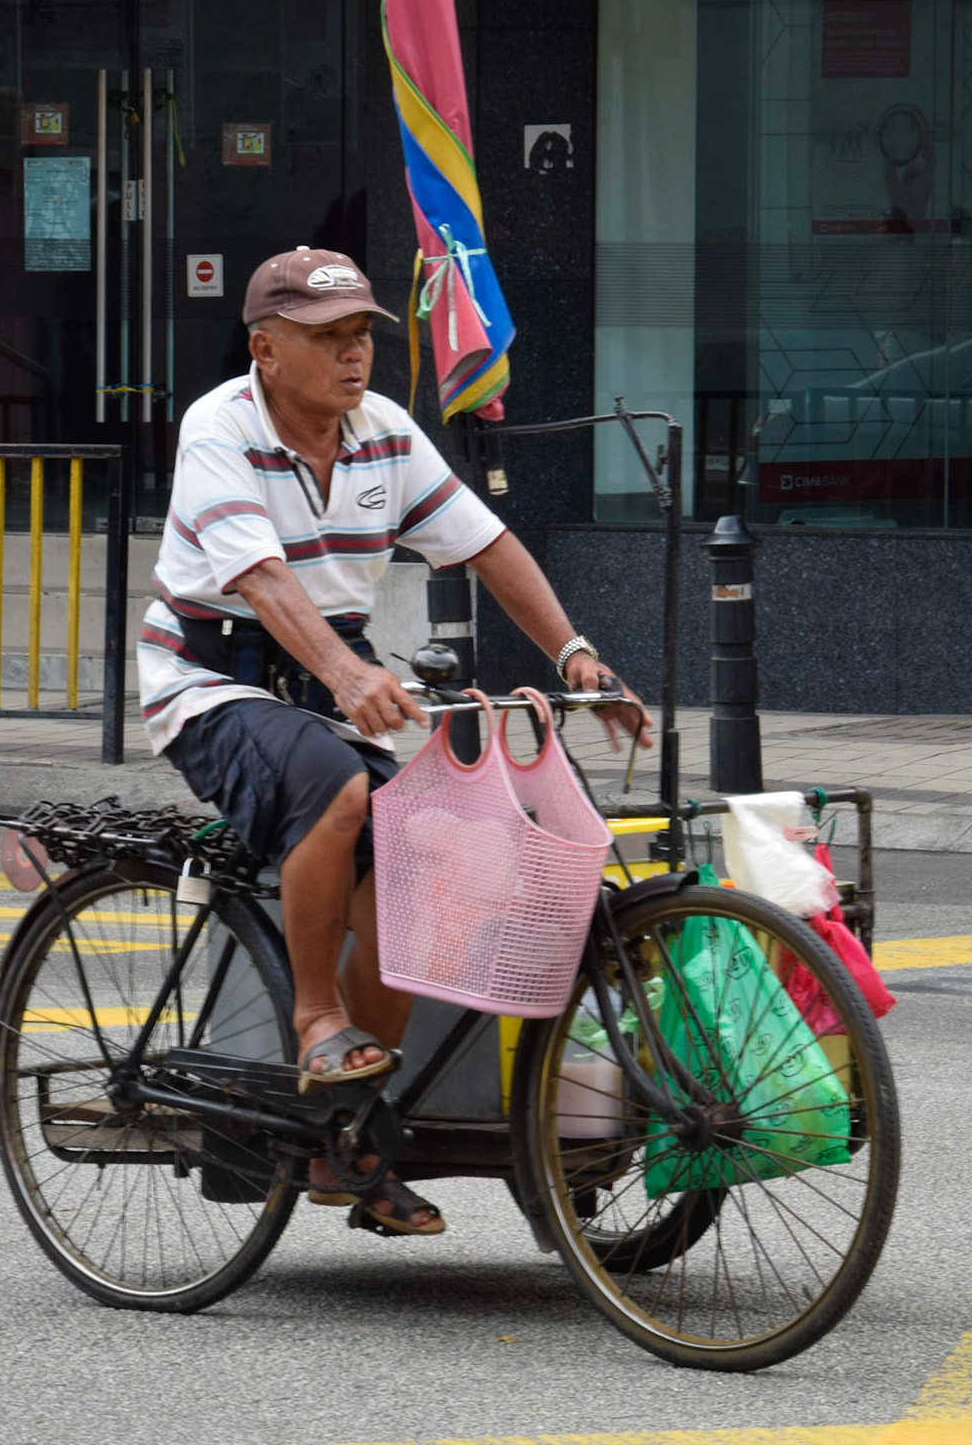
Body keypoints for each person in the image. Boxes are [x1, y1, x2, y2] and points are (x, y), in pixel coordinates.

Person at [138, 245, 651, 1236]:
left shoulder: (384, 435)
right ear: (266, 349)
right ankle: (317, 1023)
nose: (354, 355)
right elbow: (262, 582)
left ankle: (348, 1139)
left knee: (430, 861)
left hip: (337, 670)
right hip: (212, 680)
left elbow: (487, 545)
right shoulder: (221, 429)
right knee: (334, 788)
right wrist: (344, 672)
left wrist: (576, 650)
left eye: (362, 335)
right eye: (328, 338)